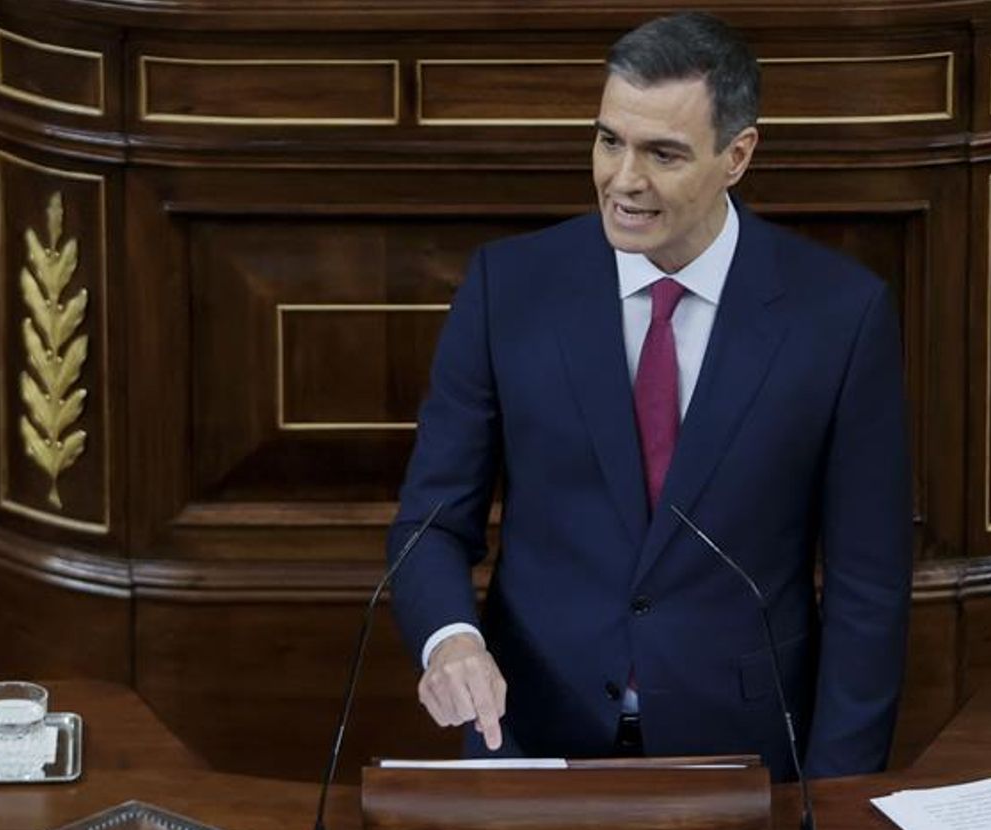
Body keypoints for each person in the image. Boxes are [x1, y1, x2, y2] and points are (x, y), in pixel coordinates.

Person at [387, 11, 911, 780]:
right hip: (532, 739)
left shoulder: (840, 315)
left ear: (738, 155)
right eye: (609, 141)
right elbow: (430, 524)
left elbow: (869, 587)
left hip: (746, 755)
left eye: (663, 153)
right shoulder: (509, 288)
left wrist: (833, 802)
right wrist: (450, 640)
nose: (624, 180)